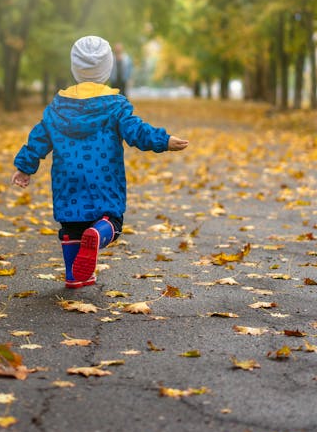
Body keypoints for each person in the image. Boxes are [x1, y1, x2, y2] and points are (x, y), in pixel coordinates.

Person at [11, 36, 189, 288]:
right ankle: (99, 233)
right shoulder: (115, 105)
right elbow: (136, 131)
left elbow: (39, 137)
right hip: (103, 179)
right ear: (107, 70)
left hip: (68, 181)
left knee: (71, 228)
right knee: (112, 222)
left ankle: (75, 276)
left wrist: (24, 167)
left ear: (75, 68)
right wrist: (164, 140)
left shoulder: (58, 107)